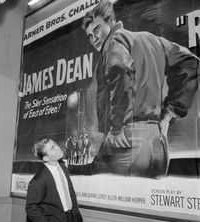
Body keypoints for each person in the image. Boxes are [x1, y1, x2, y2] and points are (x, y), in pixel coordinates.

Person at [68, 0, 199, 178]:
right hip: (158, 146)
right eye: (89, 35)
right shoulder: (151, 39)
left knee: (89, 184)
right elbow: (190, 63)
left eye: (97, 29)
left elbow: (121, 69)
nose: (94, 38)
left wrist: (116, 128)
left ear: (111, 22)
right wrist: (169, 114)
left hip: (126, 144)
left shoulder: (113, 44)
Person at [25, 138, 83, 222]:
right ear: (46, 158)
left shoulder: (63, 168)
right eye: (52, 148)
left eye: (55, 144)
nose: (58, 147)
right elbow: (31, 207)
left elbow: (70, 193)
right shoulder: (39, 180)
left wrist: (77, 217)